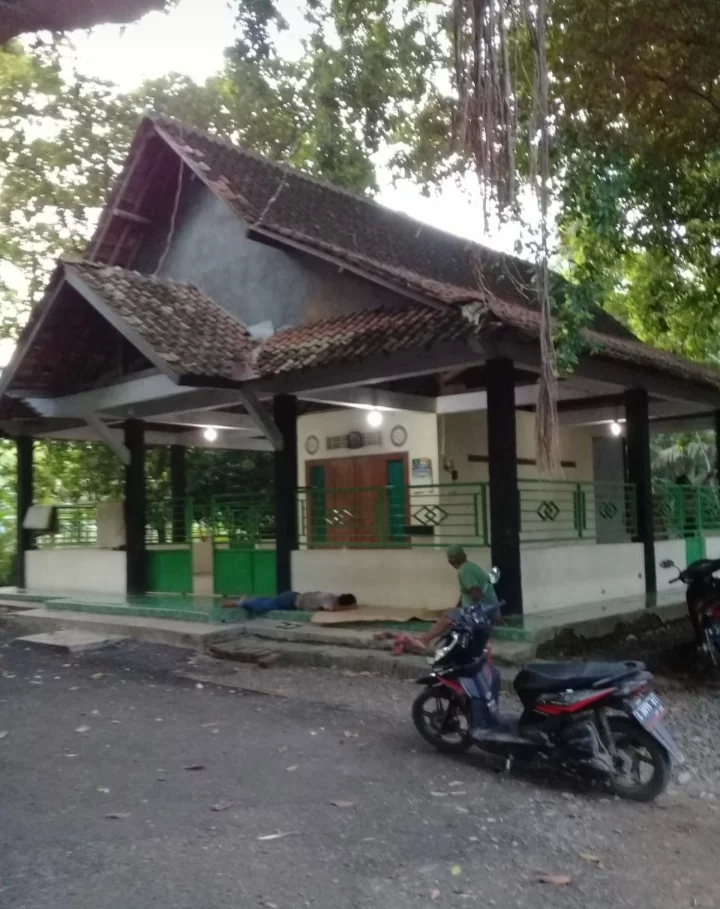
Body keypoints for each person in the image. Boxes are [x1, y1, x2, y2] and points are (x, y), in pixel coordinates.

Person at [415, 545, 498, 650]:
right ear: (464, 555)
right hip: (486, 610)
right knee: (449, 615)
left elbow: (476, 592)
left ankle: (424, 641)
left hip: (480, 612)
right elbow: (466, 593)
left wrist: (479, 613)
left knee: (446, 619)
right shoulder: (470, 566)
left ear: (451, 561)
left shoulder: (464, 570)